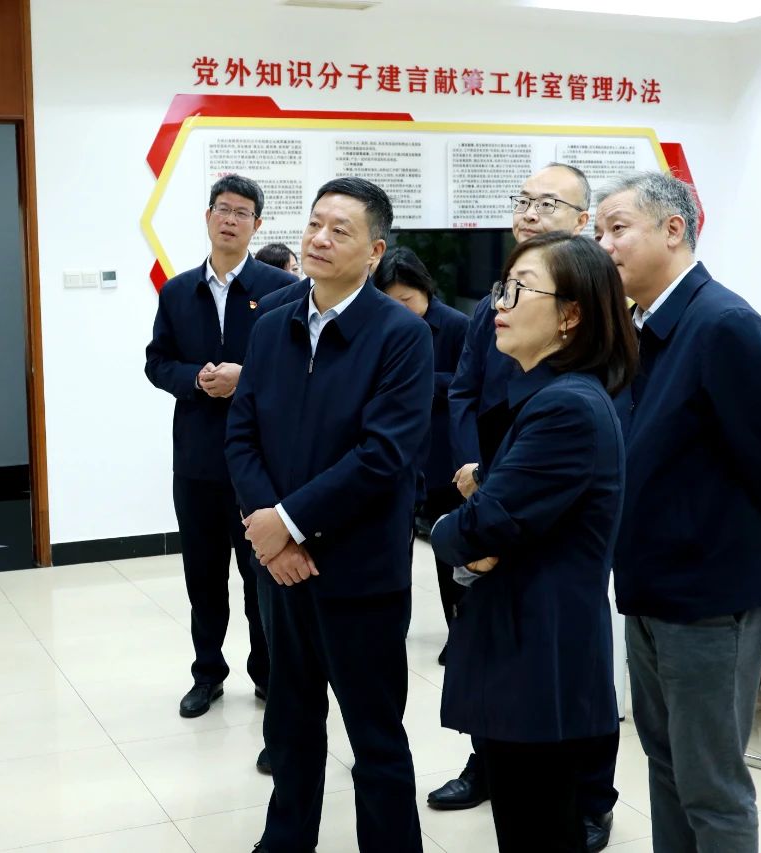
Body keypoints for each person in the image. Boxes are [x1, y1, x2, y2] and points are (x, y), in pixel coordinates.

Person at [594, 171, 761, 853]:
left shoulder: (723, 325)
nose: (604, 245)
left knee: (711, 785)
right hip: (651, 584)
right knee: (666, 765)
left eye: (617, 228)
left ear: (673, 229)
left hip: (710, 594)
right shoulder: (641, 326)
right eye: (598, 231)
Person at [226, 177, 431, 853]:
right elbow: (242, 433)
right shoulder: (271, 325)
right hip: (281, 571)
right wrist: (271, 533)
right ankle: (285, 840)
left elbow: (382, 455)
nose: (319, 238)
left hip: (359, 571)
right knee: (289, 722)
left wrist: (286, 521)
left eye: (340, 230)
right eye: (315, 223)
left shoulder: (402, 335)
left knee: (375, 735)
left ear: (374, 251)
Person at [431, 162, 621, 853]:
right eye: (502, 288)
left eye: (520, 290)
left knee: (537, 827)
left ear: (571, 315)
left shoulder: (565, 408)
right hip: (524, 644)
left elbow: (476, 528)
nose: (500, 304)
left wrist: (453, 527)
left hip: (537, 653)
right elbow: (494, 522)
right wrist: (479, 527)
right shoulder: (545, 396)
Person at [144, 175, 298, 727]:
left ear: (258, 224)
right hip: (196, 459)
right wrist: (195, 379)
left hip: (259, 462)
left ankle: (267, 671)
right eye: (222, 209)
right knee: (203, 575)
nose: (230, 220)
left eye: (242, 212)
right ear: (208, 217)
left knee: (261, 575)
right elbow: (157, 362)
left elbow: (295, 366)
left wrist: (243, 377)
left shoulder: (282, 289)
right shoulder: (177, 291)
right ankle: (207, 672)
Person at [374, 245, 469, 544]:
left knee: (448, 544)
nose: (399, 310)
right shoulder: (382, 326)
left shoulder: (457, 324)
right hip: (396, 451)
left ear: (425, 288)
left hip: (441, 454)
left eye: (406, 300)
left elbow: (468, 382)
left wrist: (420, 383)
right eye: (390, 302)